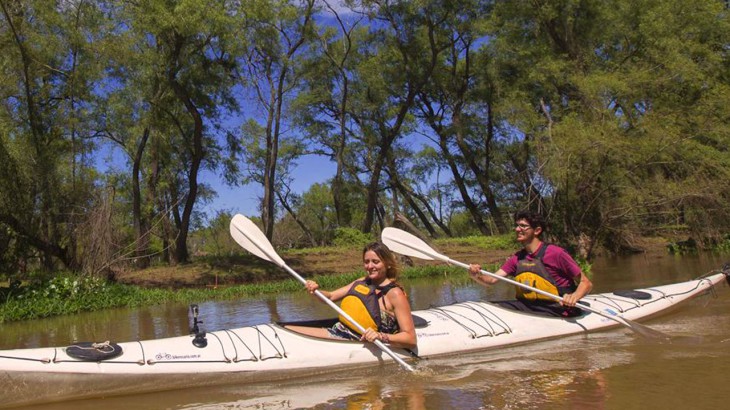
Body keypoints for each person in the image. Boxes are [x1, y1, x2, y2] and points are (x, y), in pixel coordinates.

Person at [285, 242, 417, 349]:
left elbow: (410, 338)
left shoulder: (395, 294)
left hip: (360, 340)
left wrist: (380, 336)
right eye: (366, 262)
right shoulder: (361, 282)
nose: (370, 266)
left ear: (387, 264)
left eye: (375, 262)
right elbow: (330, 297)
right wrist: (316, 290)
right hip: (340, 331)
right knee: (287, 330)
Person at [468, 210, 593, 317]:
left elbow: (586, 283)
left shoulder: (556, 253)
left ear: (537, 230)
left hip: (556, 308)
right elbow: (490, 280)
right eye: (517, 226)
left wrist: (574, 297)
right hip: (527, 306)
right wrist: (475, 275)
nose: (517, 229)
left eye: (523, 226)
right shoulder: (517, 258)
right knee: (492, 305)